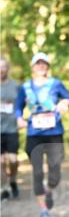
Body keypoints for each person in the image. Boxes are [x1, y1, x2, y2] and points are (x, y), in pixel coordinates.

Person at [15, 53, 69, 217]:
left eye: (44, 64)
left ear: (47, 66)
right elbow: (18, 107)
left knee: (55, 173)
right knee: (38, 172)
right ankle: (43, 210)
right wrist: (19, 118)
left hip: (54, 133)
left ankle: (49, 190)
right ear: (32, 67)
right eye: (37, 64)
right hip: (34, 135)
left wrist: (65, 103)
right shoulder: (25, 87)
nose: (41, 66)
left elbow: (68, 98)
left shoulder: (56, 83)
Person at [1, 57, 21, 202]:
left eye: (3, 67)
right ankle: (4, 187)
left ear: (7, 69)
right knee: (1, 161)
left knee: (13, 160)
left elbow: (23, 103)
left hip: (12, 128)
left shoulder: (15, 86)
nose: (1, 70)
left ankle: (13, 180)